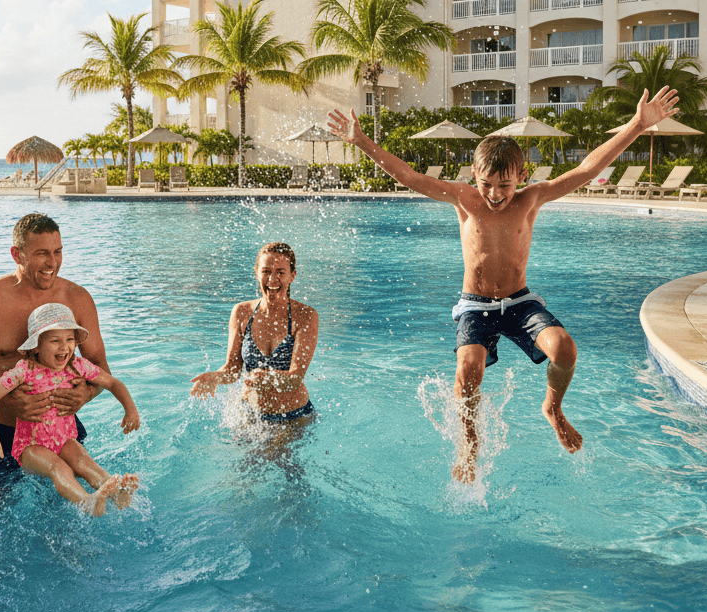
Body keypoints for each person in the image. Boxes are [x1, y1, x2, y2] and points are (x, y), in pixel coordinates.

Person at [327, 87, 679, 482]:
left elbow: (585, 169)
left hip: (519, 302)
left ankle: (553, 408)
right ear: (474, 175)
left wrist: (637, 124)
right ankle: (470, 439)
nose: (495, 195)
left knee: (564, 349)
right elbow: (407, 174)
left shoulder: (531, 199)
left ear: (521, 178)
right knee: (468, 368)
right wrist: (360, 140)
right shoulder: (463, 199)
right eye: (487, 185)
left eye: (505, 186)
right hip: (476, 304)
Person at [0, 213, 109, 467]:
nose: (52, 262)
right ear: (17, 254)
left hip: (59, 433)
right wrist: (5, 401)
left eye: (58, 252)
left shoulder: (77, 299)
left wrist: (87, 393)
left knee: (82, 499)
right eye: (42, 253)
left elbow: (100, 367)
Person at [0, 303, 140, 515]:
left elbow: (113, 383)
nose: (64, 347)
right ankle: (87, 502)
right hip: (31, 447)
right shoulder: (25, 371)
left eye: (70, 339)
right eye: (55, 341)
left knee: (82, 459)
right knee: (59, 468)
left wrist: (130, 409)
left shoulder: (77, 366)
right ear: (36, 346)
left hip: (64, 440)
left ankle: (116, 492)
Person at [190, 242, 319, 423]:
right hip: (249, 414)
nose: (272, 279)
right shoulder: (241, 312)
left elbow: (295, 378)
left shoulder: (305, 316)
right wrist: (215, 377)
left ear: (292, 276)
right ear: (256, 273)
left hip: (292, 416)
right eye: (266, 271)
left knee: (274, 452)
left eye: (280, 272)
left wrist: (265, 377)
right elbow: (232, 370)